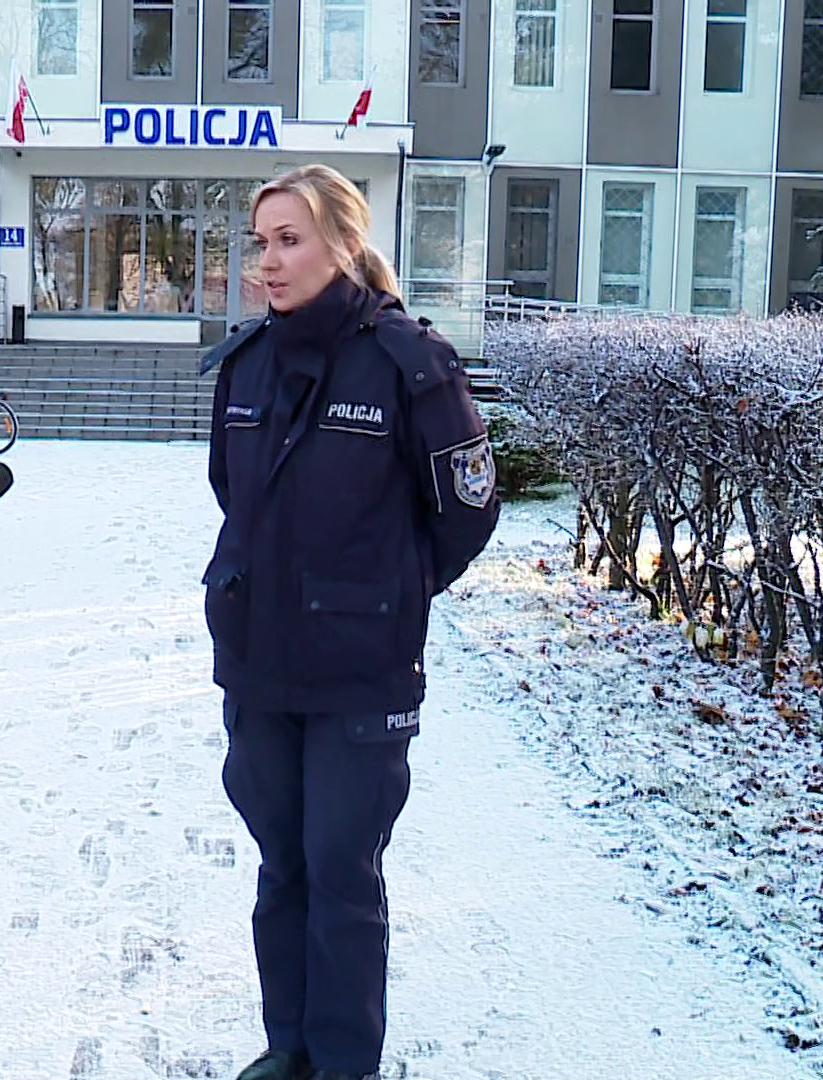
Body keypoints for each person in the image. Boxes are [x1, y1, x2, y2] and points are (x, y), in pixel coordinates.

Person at [199, 164, 501, 1080]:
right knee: (281, 867)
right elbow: (233, 493)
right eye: (261, 241)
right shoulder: (247, 364)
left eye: (289, 240)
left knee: (341, 872)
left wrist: (389, 590)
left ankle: (343, 1062)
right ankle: (288, 1047)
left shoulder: (412, 362)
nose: (267, 261)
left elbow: (467, 512)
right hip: (259, 665)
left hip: (361, 674)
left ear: (342, 243)